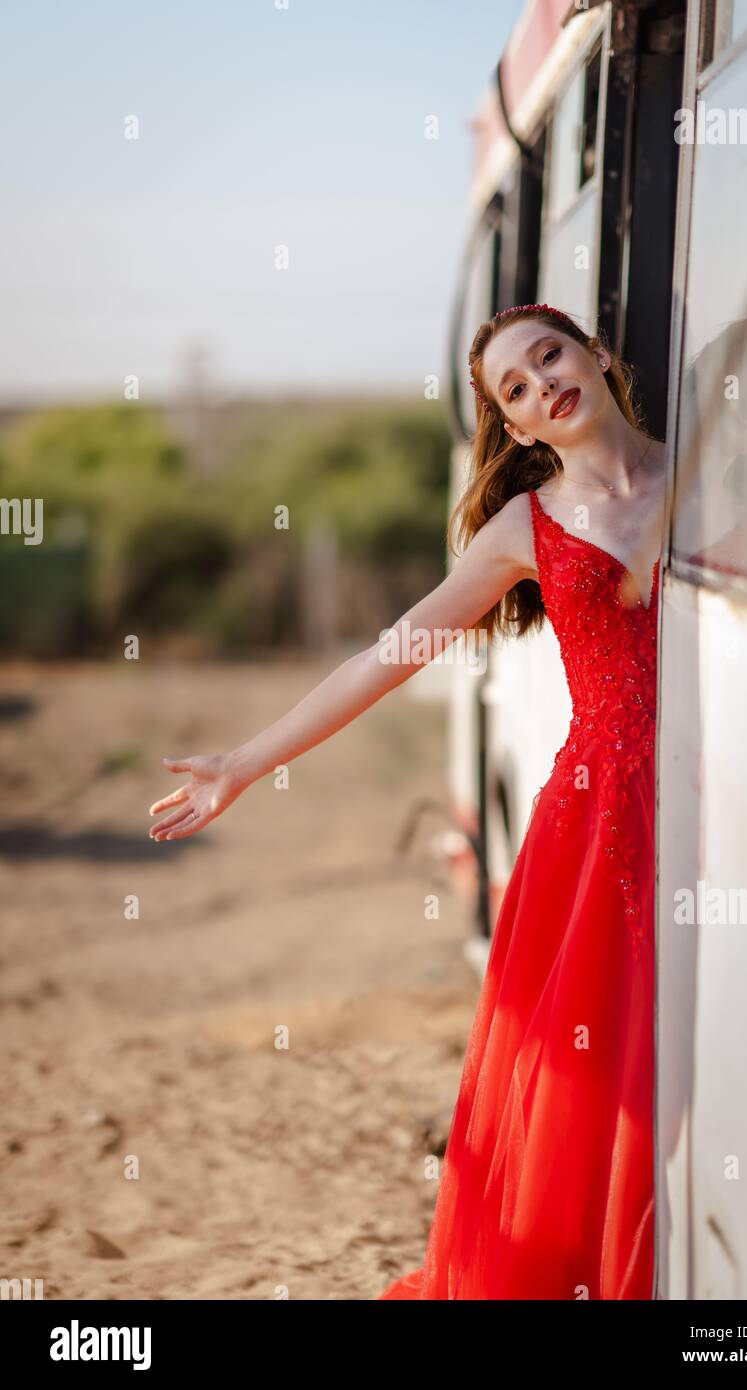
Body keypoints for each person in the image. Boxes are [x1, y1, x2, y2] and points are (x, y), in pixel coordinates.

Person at [148, 302, 666, 1300]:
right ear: (516, 430)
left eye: (549, 355)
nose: (541, 384)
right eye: (514, 389)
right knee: (600, 1090)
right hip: (594, 832)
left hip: (704, 810)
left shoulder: (704, 472)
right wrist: (247, 761)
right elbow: (390, 655)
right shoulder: (528, 526)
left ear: (596, 354)